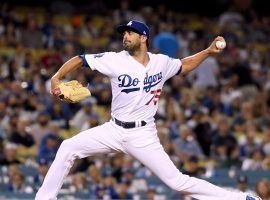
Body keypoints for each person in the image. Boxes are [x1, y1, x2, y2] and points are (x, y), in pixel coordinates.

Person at [35, 20, 261, 200]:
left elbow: (185, 64)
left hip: (143, 135)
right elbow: (80, 59)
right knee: (68, 147)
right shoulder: (114, 60)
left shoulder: (161, 63)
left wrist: (209, 52)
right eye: (124, 33)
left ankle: (240, 198)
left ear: (143, 38)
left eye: (130, 33)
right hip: (113, 130)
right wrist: (57, 78)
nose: (125, 36)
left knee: (177, 182)